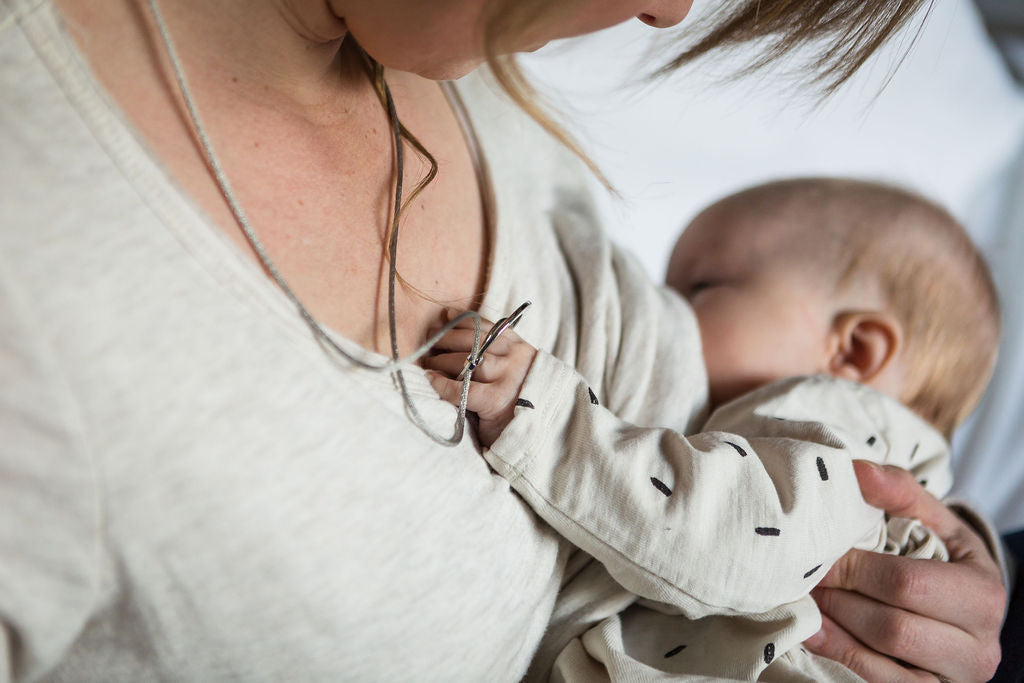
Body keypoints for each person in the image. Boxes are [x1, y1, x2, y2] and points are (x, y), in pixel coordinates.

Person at [0, 0, 1005, 680]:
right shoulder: (44, 290)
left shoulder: (470, 62)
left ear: (862, 353)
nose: (666, 8)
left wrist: (932, 578)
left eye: (701, 285)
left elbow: (741, 526)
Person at [426, 177, 1002, 678]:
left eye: (701, 288)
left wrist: (547, 418)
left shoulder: (839, 431)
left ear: (853, 350)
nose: (669, 310)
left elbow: (725, 535)